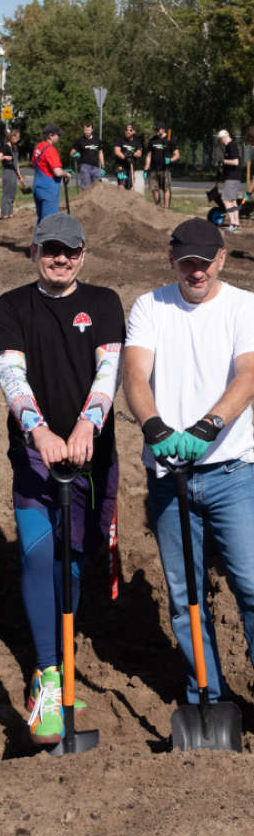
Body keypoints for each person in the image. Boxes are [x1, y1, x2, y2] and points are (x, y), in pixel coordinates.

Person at [0, 213, 125, 745]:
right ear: (33, 252)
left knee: (75, 559)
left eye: (69, 251)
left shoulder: (106, 302)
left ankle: (60, 653)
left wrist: (88, 424)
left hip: (93, 458)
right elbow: (12, 377)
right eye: (49, 250)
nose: (60, 259)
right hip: (36, 458)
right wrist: (40, 432)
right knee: (40, 554)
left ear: (83, 254)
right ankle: (47, 674)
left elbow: (108, 371)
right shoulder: (10, 307)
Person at [123, 217, 254, 709]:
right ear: (171, 259)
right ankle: (208, 699)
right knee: (186, 601)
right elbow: (135, 371)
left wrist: (208, 426)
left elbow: (248, 373)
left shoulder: (244, 306)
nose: (196, 273)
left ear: (222, 258)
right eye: (187, 263)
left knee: (252, 587)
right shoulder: (149, 306)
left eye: (206, 262)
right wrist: (153, 425)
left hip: (233, 474)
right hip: (167, 477)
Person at [32, 124, 73, 227]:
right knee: (50, 220)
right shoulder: (50, 150)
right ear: (51, 135)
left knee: (41, 219)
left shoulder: (38, 147)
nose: (59, 137)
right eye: (58, 135)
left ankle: (37, 243)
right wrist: (66, 173)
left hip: (37, 187)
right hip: (48, 189)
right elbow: (57, 172)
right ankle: (46, 243)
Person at [143, 121, 180, 208]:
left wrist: (170, 160)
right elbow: (149, 155)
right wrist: (146, 168)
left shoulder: (170, 140)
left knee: (166, 189)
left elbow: (177, 155)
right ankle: (158, 208)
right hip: (154, 169)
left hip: (165, 169)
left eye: (158, 129)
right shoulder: (152, 140)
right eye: (155, 129)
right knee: (154, 189)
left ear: (163, 129)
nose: (156, 131)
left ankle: (166, 209)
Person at [216, 130, 242, 234]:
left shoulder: (231, 146)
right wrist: (223, 168)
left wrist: (222, 161)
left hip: (232, 178)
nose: (220, 142)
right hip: (233, 177)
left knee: (225, 200)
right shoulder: (230, 146)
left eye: (220, 140)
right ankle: (237, 224)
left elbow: (236, 162)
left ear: (222, 138)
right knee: (232, 201)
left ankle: (233, 225)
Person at [0, 129, 25, 218]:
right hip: (7, 172)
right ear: (13, 137)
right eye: (18, 137)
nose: (18, 139)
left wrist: (19, 174)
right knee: (7, 193)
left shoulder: (15, 148)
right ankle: (5, 213)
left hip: (14, 172)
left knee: (12, 193)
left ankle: (10, 213)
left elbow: (16, 162)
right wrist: (4, 157)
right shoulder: (6, 147)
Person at [70, 121, 105, 189]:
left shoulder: (97, 140)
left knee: (98, 187)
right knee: (86, 188)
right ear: (83, 129)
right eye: (85, 129)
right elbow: (71, 153)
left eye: (89, 130)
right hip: (85, 167)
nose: (87, 132)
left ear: (92, 129)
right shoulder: (79, 141)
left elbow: (100, 153)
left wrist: (103, 166)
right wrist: (75, 154)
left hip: (96, 167)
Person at [113, 123, 143, 191]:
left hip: (130, 167)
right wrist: (126, 158)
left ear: (134, 131)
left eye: (130, 130)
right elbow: (117, 151)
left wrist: (132, 154)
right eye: (126, 130)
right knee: (122, 182)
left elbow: (139, 154)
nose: (128, 131)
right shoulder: (119, 140)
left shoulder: (137, 142)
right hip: (120, 166)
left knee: (129, 185)